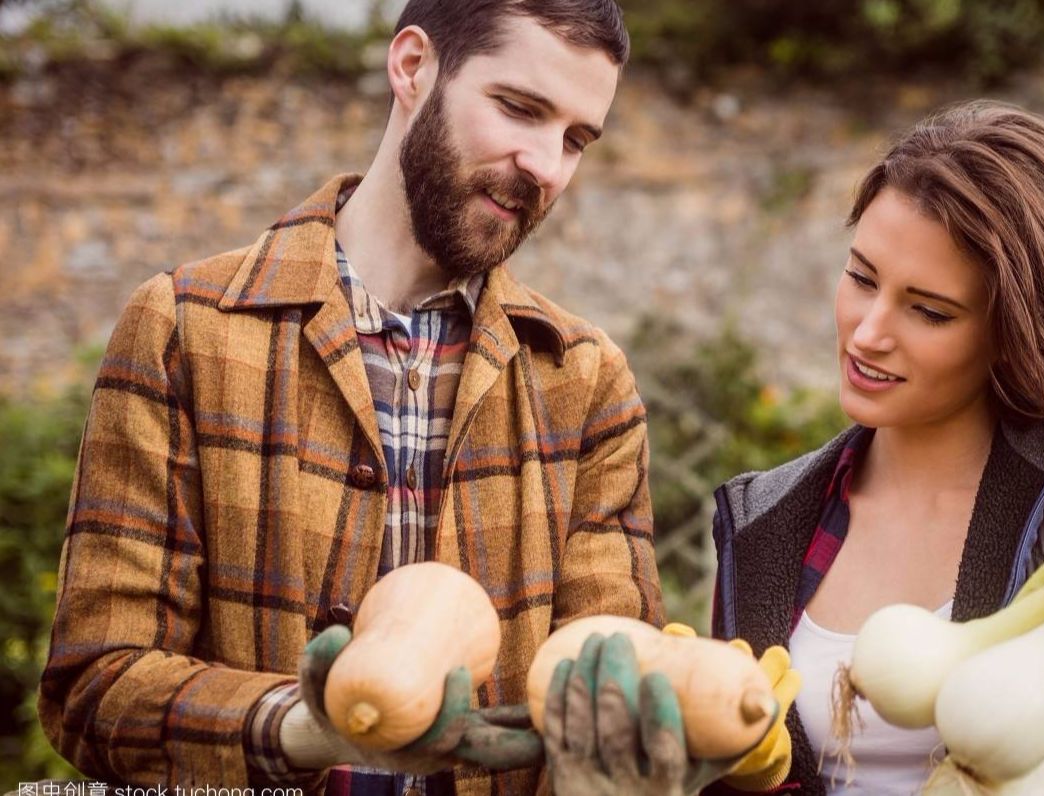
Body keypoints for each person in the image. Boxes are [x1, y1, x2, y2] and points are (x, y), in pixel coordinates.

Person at [37, 1, 666, 794]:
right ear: (412, 67)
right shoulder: (185, 329)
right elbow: (95, 688)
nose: (546, 165)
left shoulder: (584, 380)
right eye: (519, 108)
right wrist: (306, 726)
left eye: (576, 140)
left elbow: (612, 674)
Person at [703, 101, 1044, 795]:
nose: (867, 334)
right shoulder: (762, 522)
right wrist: (737, 769)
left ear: (1016, 329)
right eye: (861, 278)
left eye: (928, 311)